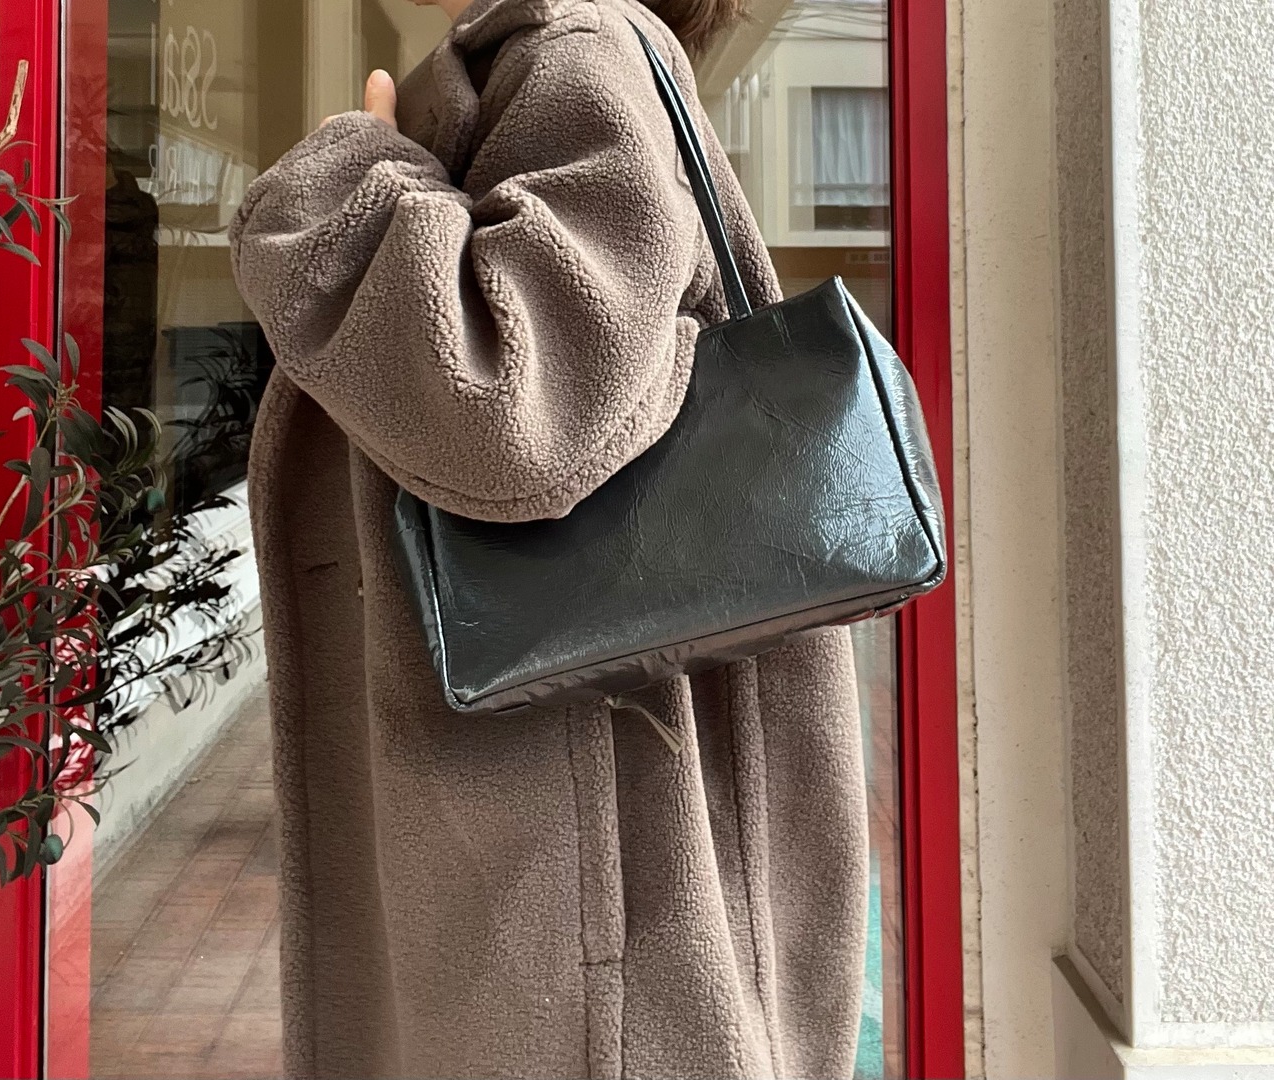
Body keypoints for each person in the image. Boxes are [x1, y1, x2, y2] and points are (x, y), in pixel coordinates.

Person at [230, 0, 868, 1074]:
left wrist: (352, 178)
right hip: (573, 846)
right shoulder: (560, 54)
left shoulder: (576, 46)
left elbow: (508, 408)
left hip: (584, 895)